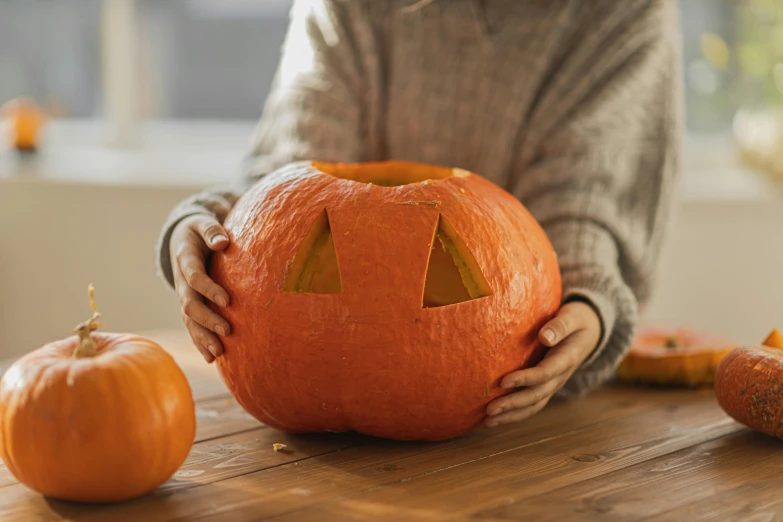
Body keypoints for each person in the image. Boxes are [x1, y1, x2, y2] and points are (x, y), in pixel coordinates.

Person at [156, 0, 681, 428]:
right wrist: (207, 229)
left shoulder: (621, 12)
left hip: (508, 422)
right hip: (297, 406)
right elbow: (286, 187)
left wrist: (587, 306)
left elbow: (582, 209)